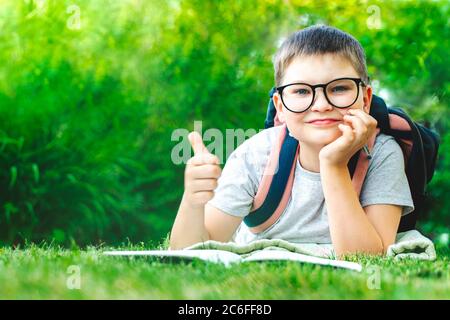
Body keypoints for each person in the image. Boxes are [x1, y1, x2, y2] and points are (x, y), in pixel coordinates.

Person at [169, 25, 414, 257]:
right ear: (280, 107)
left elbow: (369, 259)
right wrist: (192, 200)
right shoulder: (257, 155)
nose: (321, 105)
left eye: (339, 88)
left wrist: (333, 164)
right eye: (301, 91)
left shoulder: (382, 153)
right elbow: (191, 252)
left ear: (366, 99)